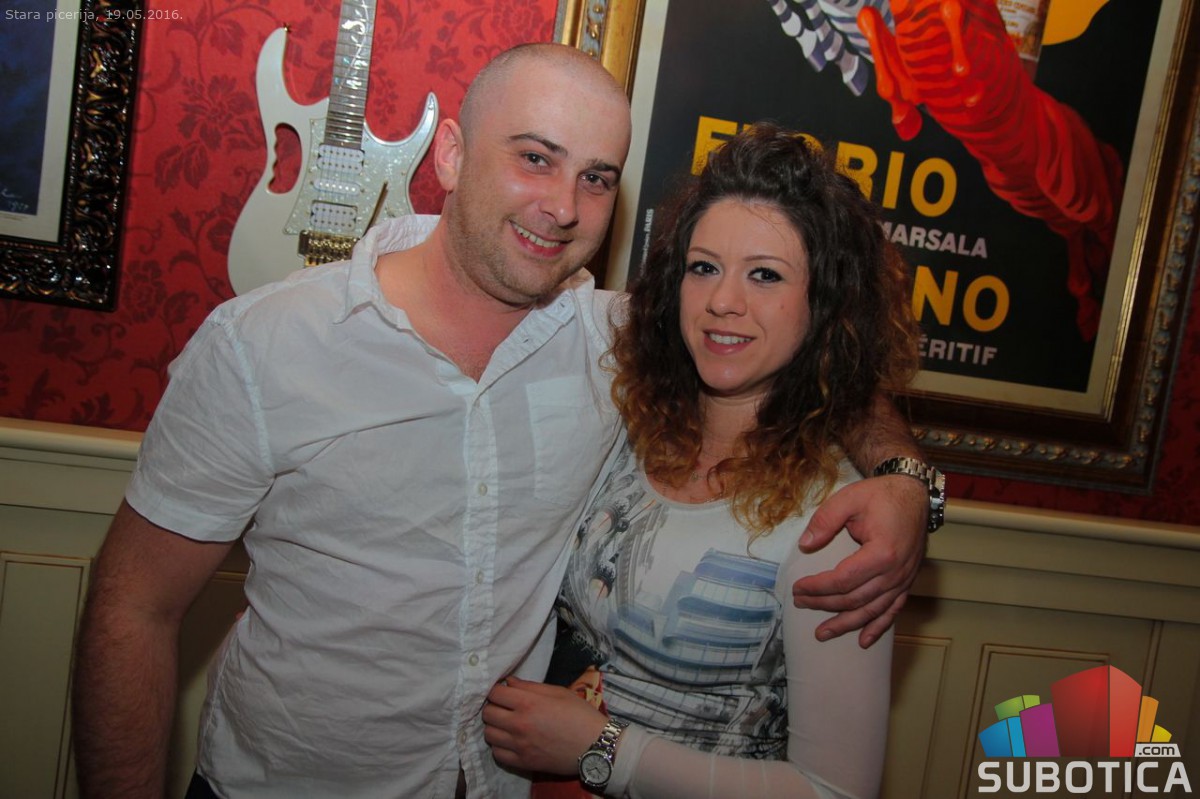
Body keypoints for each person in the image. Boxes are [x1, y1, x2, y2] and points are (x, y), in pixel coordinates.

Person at [71, 44, 933, 799]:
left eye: (596, 177)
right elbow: (132, 609)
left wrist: (905, 481)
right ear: (450, 153)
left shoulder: (616, 342)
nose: (563, 206)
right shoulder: (263, 345)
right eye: (534, 158)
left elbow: (810, 357)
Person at [481, 124, 921, 798]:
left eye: (765, 275)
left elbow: (834, 789)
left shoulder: (837, 525)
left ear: (824, 304)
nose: (723, 301)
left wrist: (604, 749)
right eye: (704, 267)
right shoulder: (628, 422)